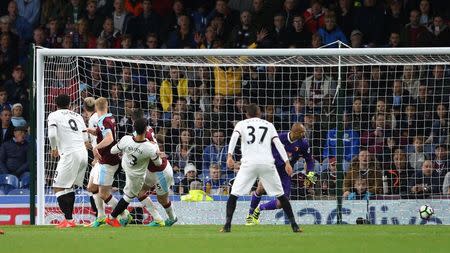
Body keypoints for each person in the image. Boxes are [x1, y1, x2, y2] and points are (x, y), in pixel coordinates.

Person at [222, 104, 301, 233]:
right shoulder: (269, 125)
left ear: (246, 114)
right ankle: (294, 225)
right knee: (281, 196)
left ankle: (227, 225)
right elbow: (278, 144)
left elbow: (234, 138)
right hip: (267, 164)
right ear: (260, 113)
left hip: (249, 164)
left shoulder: (241, 124)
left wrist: (229, 156)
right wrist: (287, 162)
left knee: (234, 195)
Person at [246, 123, 315, 225]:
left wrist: (310, 172)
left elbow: (309, 160)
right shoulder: (279, 137)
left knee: (282, 202)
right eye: (302, 132)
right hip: (271, 168)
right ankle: (250, 215)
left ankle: (259, 209)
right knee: (260, 188)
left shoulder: (303, 144)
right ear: (295, 132)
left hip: (285, 173)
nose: (304, 134)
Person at [105, 118, 162, 227]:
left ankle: (157, 218)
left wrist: (124, 148)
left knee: (137, 193)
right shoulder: (150, 147)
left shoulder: (126, 139)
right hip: (137, 176)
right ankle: (111, 218)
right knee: (128, 197)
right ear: (146, 130)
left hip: (126, 168)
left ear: (134, 129)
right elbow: (158, 163)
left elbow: (112, 151)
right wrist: (156, 154)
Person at [47, 94, 89, 228]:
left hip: (70, 154)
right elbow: (85, 137)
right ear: (69, 104)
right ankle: (69, 220)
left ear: (56, 104)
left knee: (58, 186)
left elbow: (52, 134)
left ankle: (69, 220)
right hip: (83, 153)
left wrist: (54, 148)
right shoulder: (78, 116)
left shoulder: (54, 115)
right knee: (68, 186)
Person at [85, 97, 121, 227]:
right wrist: (92, 131)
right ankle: (100, 216)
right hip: (103, 160)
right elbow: (102, 133)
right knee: (92, 187)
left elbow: (109, 138)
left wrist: (96, 147)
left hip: (106, 159)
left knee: (103, 193)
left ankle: (124, 214)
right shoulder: (109, 117)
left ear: (95, 108)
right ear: (107, 106)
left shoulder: (103, 120)